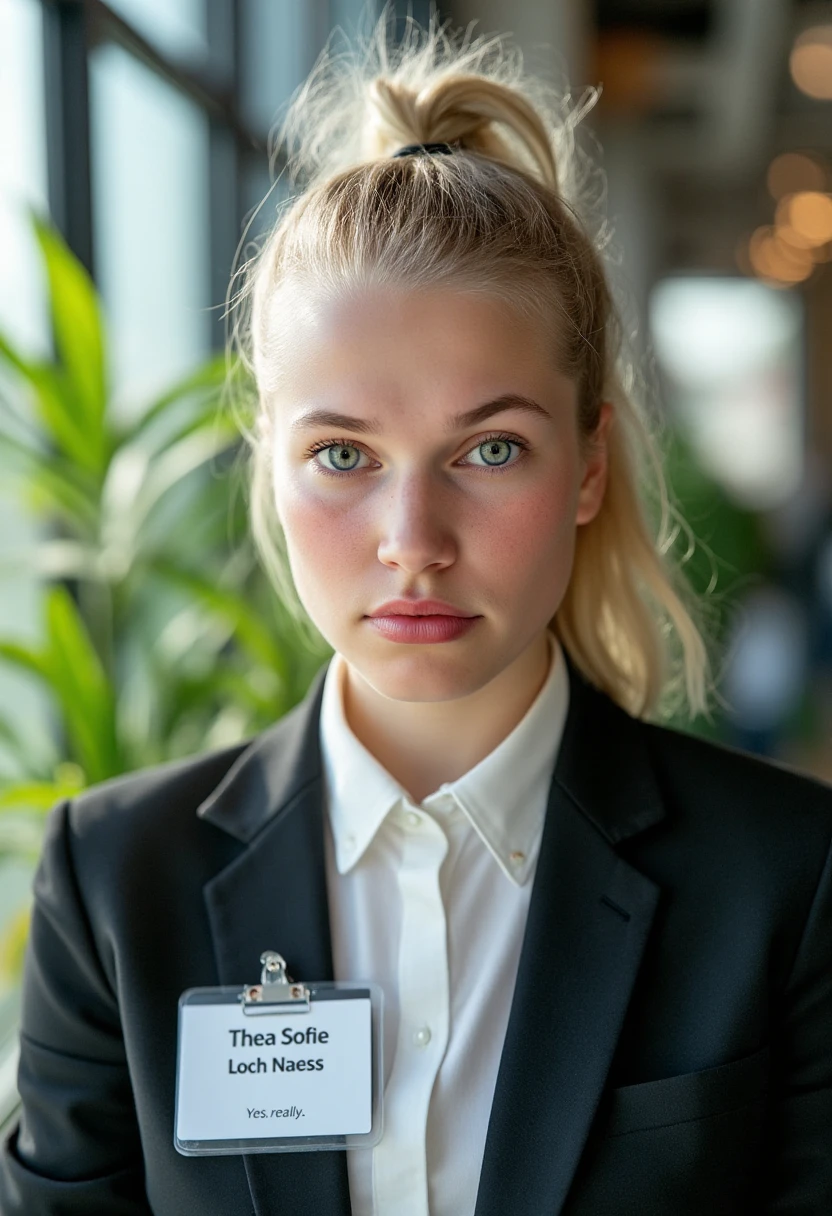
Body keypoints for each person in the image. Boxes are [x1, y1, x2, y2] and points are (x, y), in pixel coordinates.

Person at [1, 5, 831, 1214]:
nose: (413, 542)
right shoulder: (120, 885)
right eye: (342, 455)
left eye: (490, 449)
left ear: (590, 466)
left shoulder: (781, 878)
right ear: (268, 465)